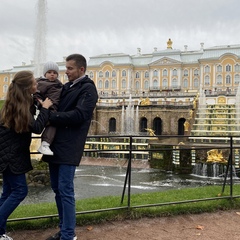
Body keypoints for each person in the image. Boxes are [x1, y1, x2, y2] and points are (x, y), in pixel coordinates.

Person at [43, 54, 98, 240]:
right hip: (56, 144)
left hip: (70, 145)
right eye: (66, 68)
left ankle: (68, 235)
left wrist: (51, 117)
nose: (65, 72)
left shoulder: (88, 89)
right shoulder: (67, 87)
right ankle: (64, 230)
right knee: (57, 189)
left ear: (81, 69)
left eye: (69, 68)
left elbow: (79, 115)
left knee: (65, 190)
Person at [0, 71, 52, 240]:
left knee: (7, 192)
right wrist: (44, 109)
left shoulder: (16, 102)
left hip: (7, 154)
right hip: (12, 156)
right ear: (27, 87)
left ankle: (0, 233)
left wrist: (36, 102)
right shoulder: (20, 107)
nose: (37, 85)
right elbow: (36, 127)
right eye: (34, 84)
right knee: (20, 191)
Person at [35, 61, 63, 155]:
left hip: (55, 108)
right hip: (49, 108)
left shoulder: (59, 84)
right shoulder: (42, 83)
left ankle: (45, 144)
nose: (52, 75)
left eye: (55, 73)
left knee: (53, 124)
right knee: (52, 124)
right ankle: (45, 144)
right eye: (50, 72)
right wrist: (40, 103)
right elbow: (36, 94)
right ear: (45, 73)